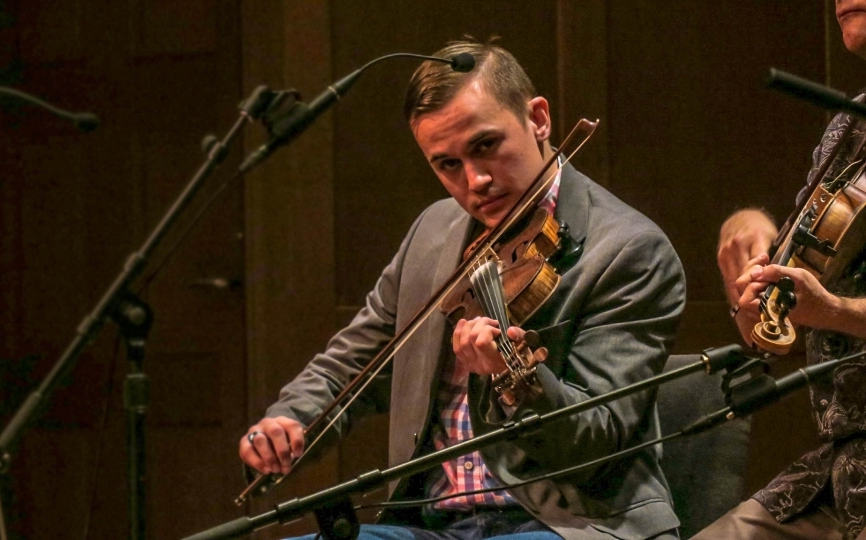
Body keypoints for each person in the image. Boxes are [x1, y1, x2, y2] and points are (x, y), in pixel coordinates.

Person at [239, 38, 686, 540]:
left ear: (538, 118)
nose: (475, 181)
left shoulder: (628, 250)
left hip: (568, 523)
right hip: (433, 525)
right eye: (447, 164)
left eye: (485, 146)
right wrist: (290, 420)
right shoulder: (434, 232)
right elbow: (354, 362)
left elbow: (597, 443)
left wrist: (516, 381)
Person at [697, 1, 866, 539]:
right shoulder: (850, 125)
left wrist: (835, 311)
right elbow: (788, 330)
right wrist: (758, 300)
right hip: (841, 470)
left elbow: (832, 310)